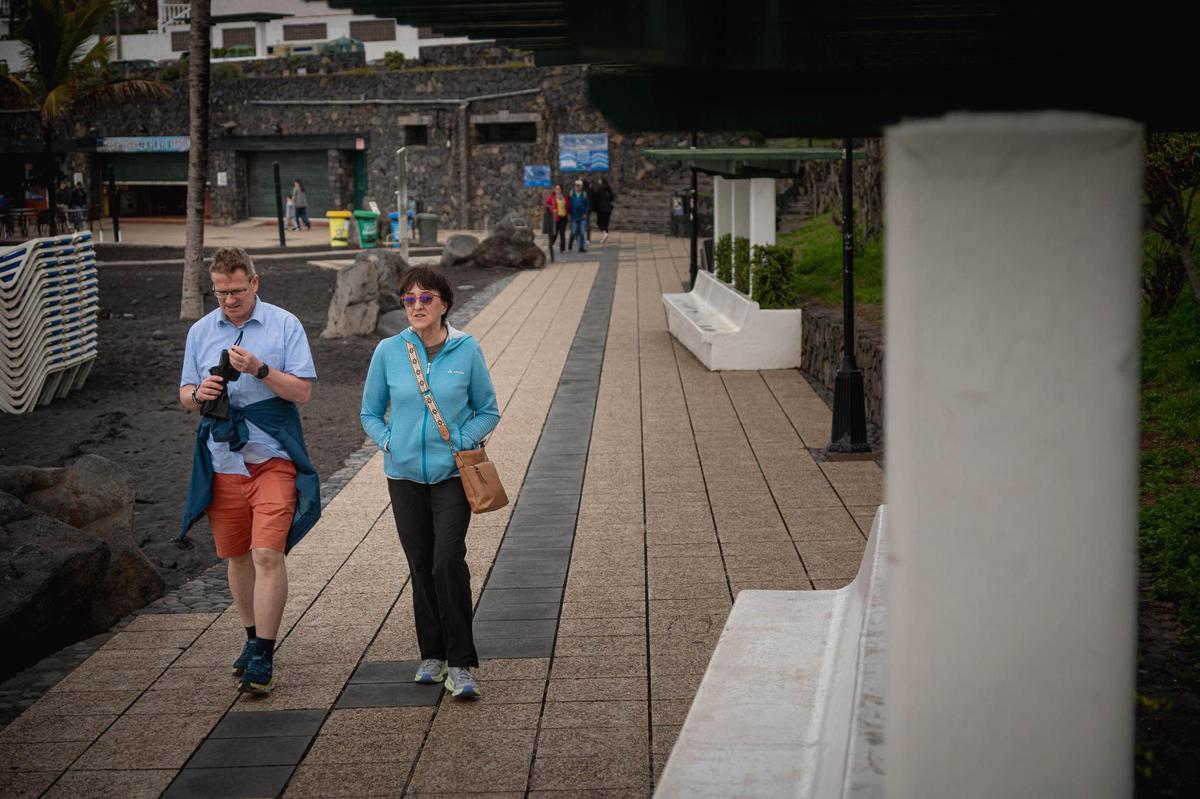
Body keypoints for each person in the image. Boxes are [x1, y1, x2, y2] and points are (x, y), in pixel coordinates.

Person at [178, 247, 320, 695]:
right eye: (220, 292)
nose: (229, 300)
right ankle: (250, 637)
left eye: (237, 291)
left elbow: (301, 392)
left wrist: (260, 369)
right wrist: (199, 392)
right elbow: (184, 395)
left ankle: (263, 652)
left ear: (255, 283)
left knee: (266, 554)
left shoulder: (284, 324)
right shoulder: (202, 332)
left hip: (272, 457)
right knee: (237, 556)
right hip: (222, 460)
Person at [360, 267, 500, 700]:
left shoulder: (466, 349)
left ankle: (460, 663)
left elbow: (488, 410)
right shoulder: (388, 351)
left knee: (447, 562)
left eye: (425, 298)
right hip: (403, 477)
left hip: (452, 476)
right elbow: (369, 412)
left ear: (443, 303)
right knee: (420, 565)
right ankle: (432, 654)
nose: (416, 306)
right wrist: (390, 443)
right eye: (409, 299)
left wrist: (457, 441)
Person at [544, 183, 568, 254]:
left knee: (562, 234)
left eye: (559, 189)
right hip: (555, 218)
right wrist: (552, 209)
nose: (558, 190)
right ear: (554, 190)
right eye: (556, 189)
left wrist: (568, 213)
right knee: (555, 233)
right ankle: (551, 245)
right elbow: (546, 205)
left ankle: (562, 249)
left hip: (563, 217)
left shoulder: (565, 197)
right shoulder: (552, 197)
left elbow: (567, 206)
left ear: (561, 190)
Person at [567, 179, 590, 253]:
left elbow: (587, 205)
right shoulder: (571, 193)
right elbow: (568, 204)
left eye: (579, 186)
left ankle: (581, 247)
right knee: (573, 232)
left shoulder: (584, 194)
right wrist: (568, 213)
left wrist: (585, 213)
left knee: (582, 232)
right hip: (574, 216)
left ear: (581, 186)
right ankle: (570, 242)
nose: (577, 187)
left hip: (582, 216)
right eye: (576, 186)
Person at [593, 176, 615, 244]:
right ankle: (605, 235)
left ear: (601, 181)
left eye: (599, 180)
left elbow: (596, 199)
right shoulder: (609, 188)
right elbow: (612, 198)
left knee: (599, 222)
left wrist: (595, 208)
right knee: (606, 223)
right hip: (608, 208)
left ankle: (604, 233)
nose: (598, 181)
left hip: (601, 209)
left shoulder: (599, 188)